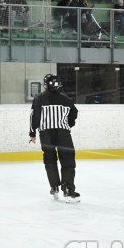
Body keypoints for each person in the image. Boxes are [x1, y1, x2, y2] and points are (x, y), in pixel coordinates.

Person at [29, 74, 79, 202]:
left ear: (46, 85)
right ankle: (68, 190)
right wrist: (67, 125)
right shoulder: (66, 99)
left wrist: (32, 132)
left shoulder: (39, 98)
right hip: (63, 133)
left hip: (46, 133)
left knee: (50, 160)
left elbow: (34, 116)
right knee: (67, 160)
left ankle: (54, 186)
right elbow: (74, 113)